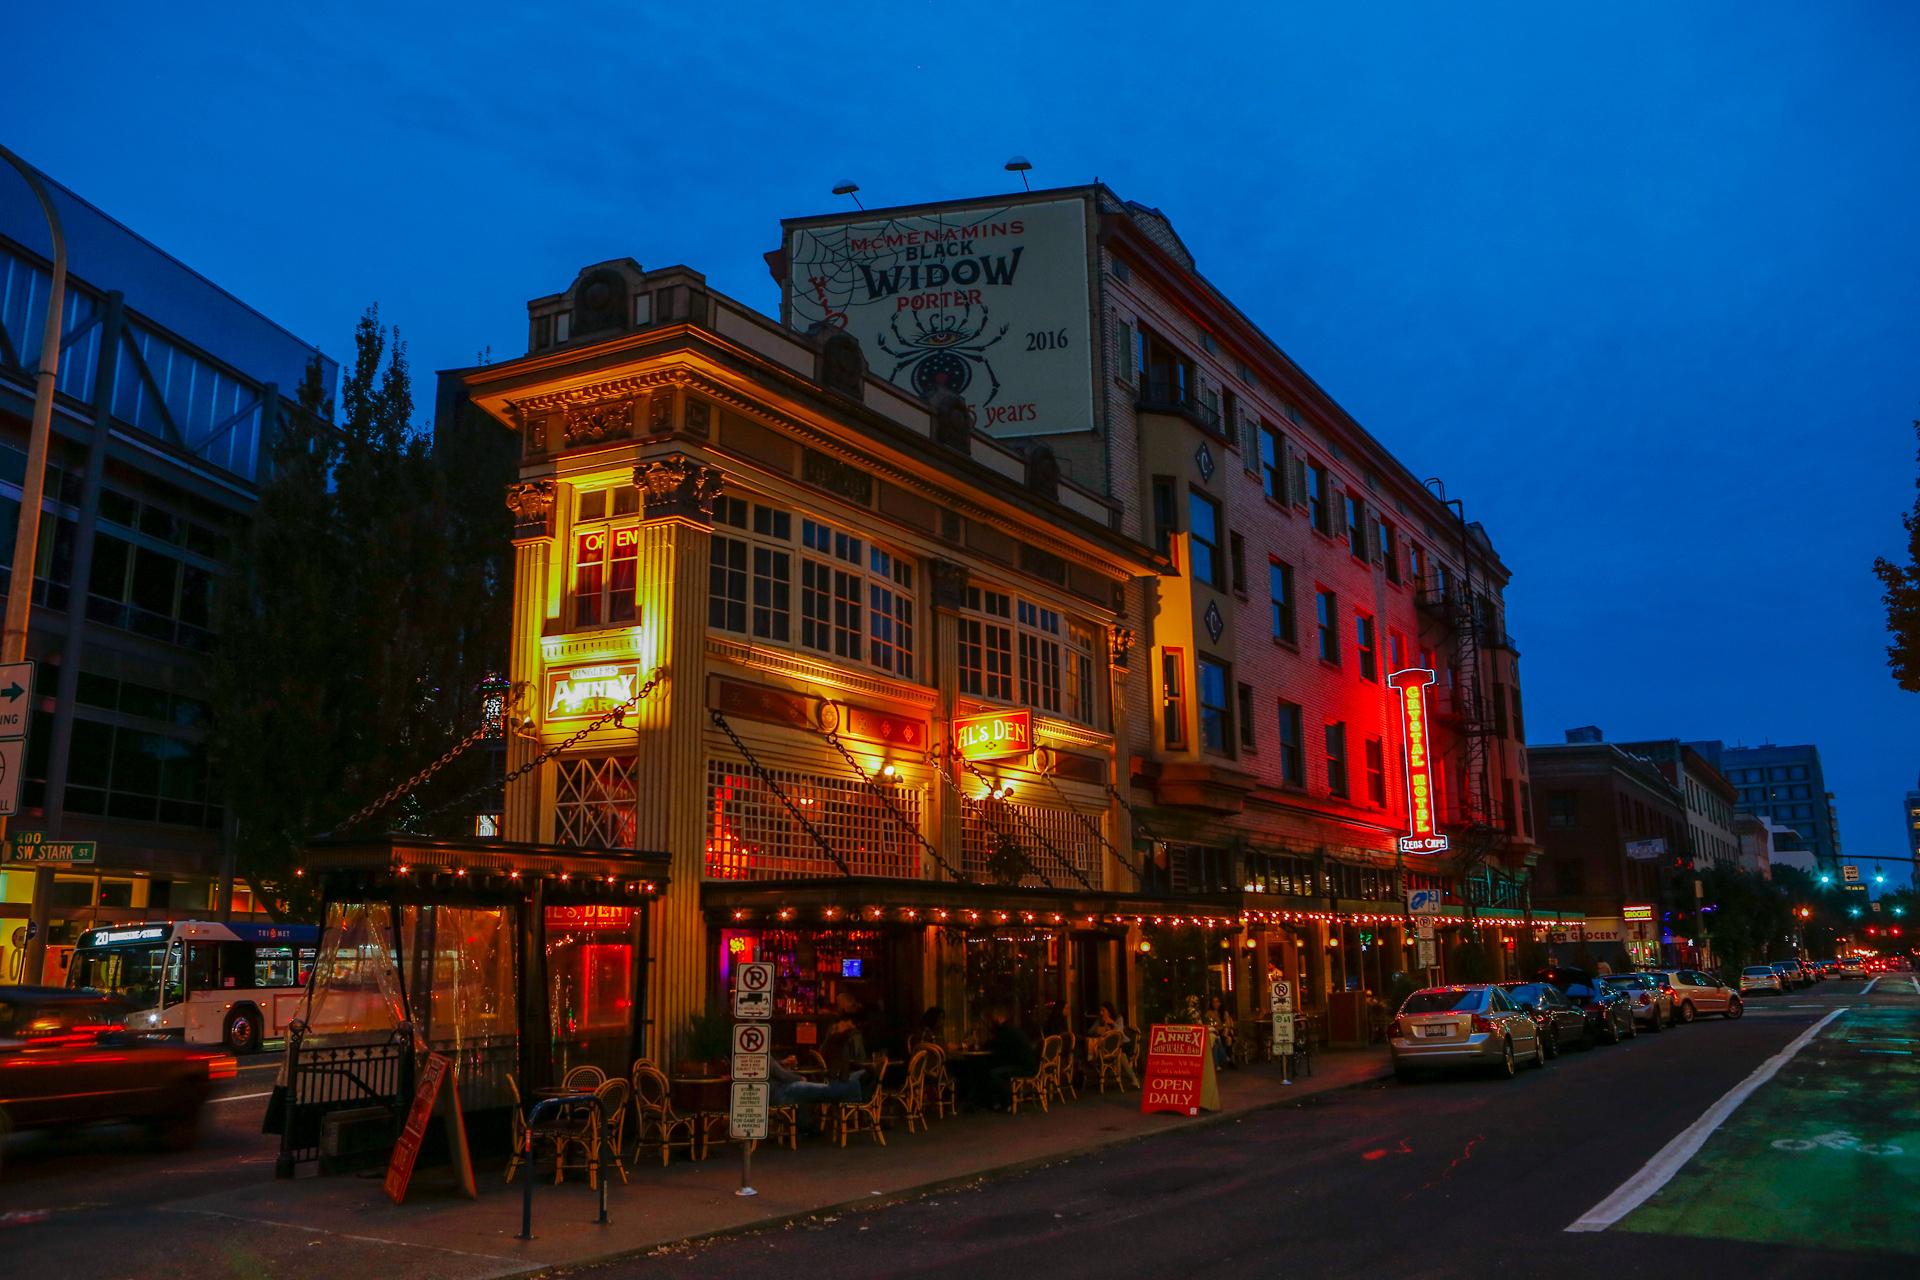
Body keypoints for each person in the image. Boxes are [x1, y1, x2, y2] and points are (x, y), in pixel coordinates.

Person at [984, 1005, 1038, 1110]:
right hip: (1029, 1065)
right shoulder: (1012, 1029)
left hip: (1024, 1067)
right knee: (997, 1071)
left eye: (993, 1018)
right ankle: (1002, 1101)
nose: (992, 1021)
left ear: (999, 1018)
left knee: (993, 1074)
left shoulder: (1003, 1030)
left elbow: (996, 1047)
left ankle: (1009, 1100)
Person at [1203, 993, 1235, 1070]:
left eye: (1217, 1001)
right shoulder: (1209, 1013)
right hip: (1214, 1031)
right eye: (1213, 1002)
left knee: (1228, 1039)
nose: (1215, 1003)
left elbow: (1228, 1024)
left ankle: (1226, 1059)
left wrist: (1226, 1030)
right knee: (1216, 1041)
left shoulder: (1224, 1012)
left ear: (1220, 1003)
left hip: (1223, 1031)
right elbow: (1207, 1024)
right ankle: (1226, 1060)